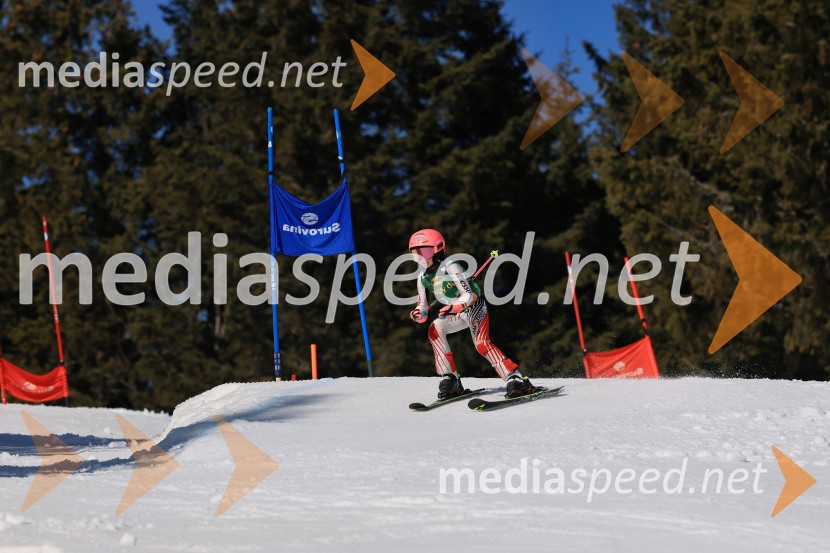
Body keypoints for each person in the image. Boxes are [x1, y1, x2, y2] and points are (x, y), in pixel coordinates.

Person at [408, 229, 535, 400]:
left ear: (438, 249)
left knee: (481, 344)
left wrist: (455, 306)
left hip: (474, 307)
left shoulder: (451, 266)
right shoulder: (422, 277)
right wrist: (418, 313)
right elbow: (422, 306)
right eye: (416, 254)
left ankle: (515, 378)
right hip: (455, 312)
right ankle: (450, 378)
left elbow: (468, 295)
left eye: (425, 252)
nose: (421, 258)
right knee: (434, 329)